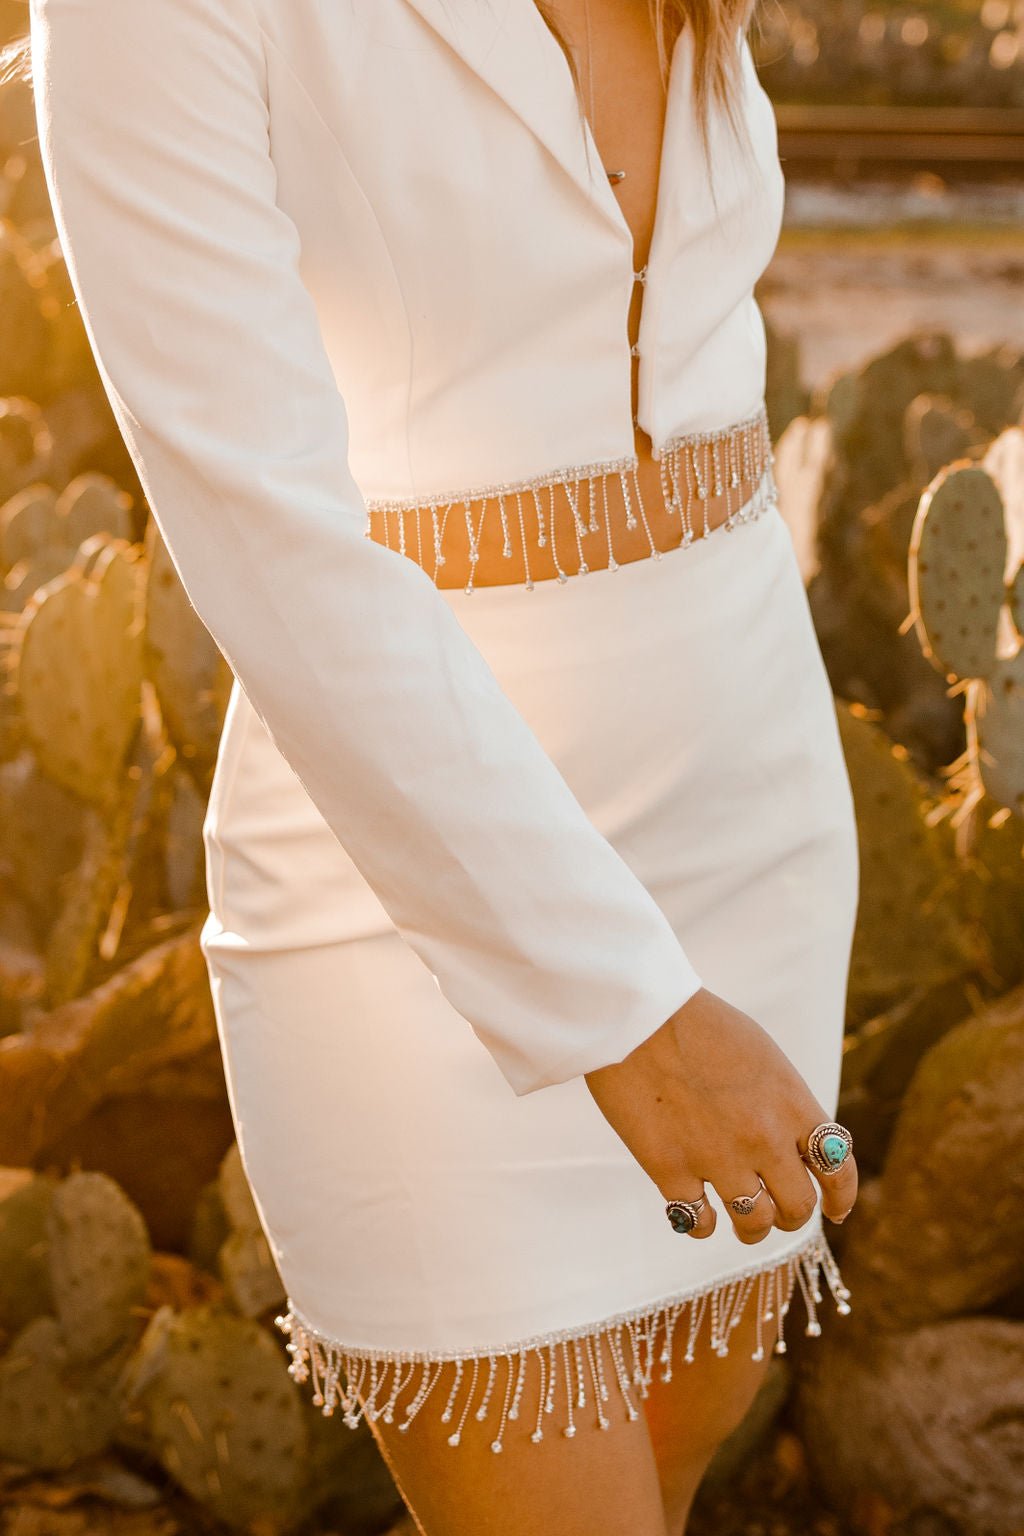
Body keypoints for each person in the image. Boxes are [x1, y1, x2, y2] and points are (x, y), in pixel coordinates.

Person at [23, 0, 860, 1529]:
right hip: (406, 901)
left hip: (756, 820)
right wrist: (625, 1011)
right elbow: (264, 538)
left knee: (669, 1477)